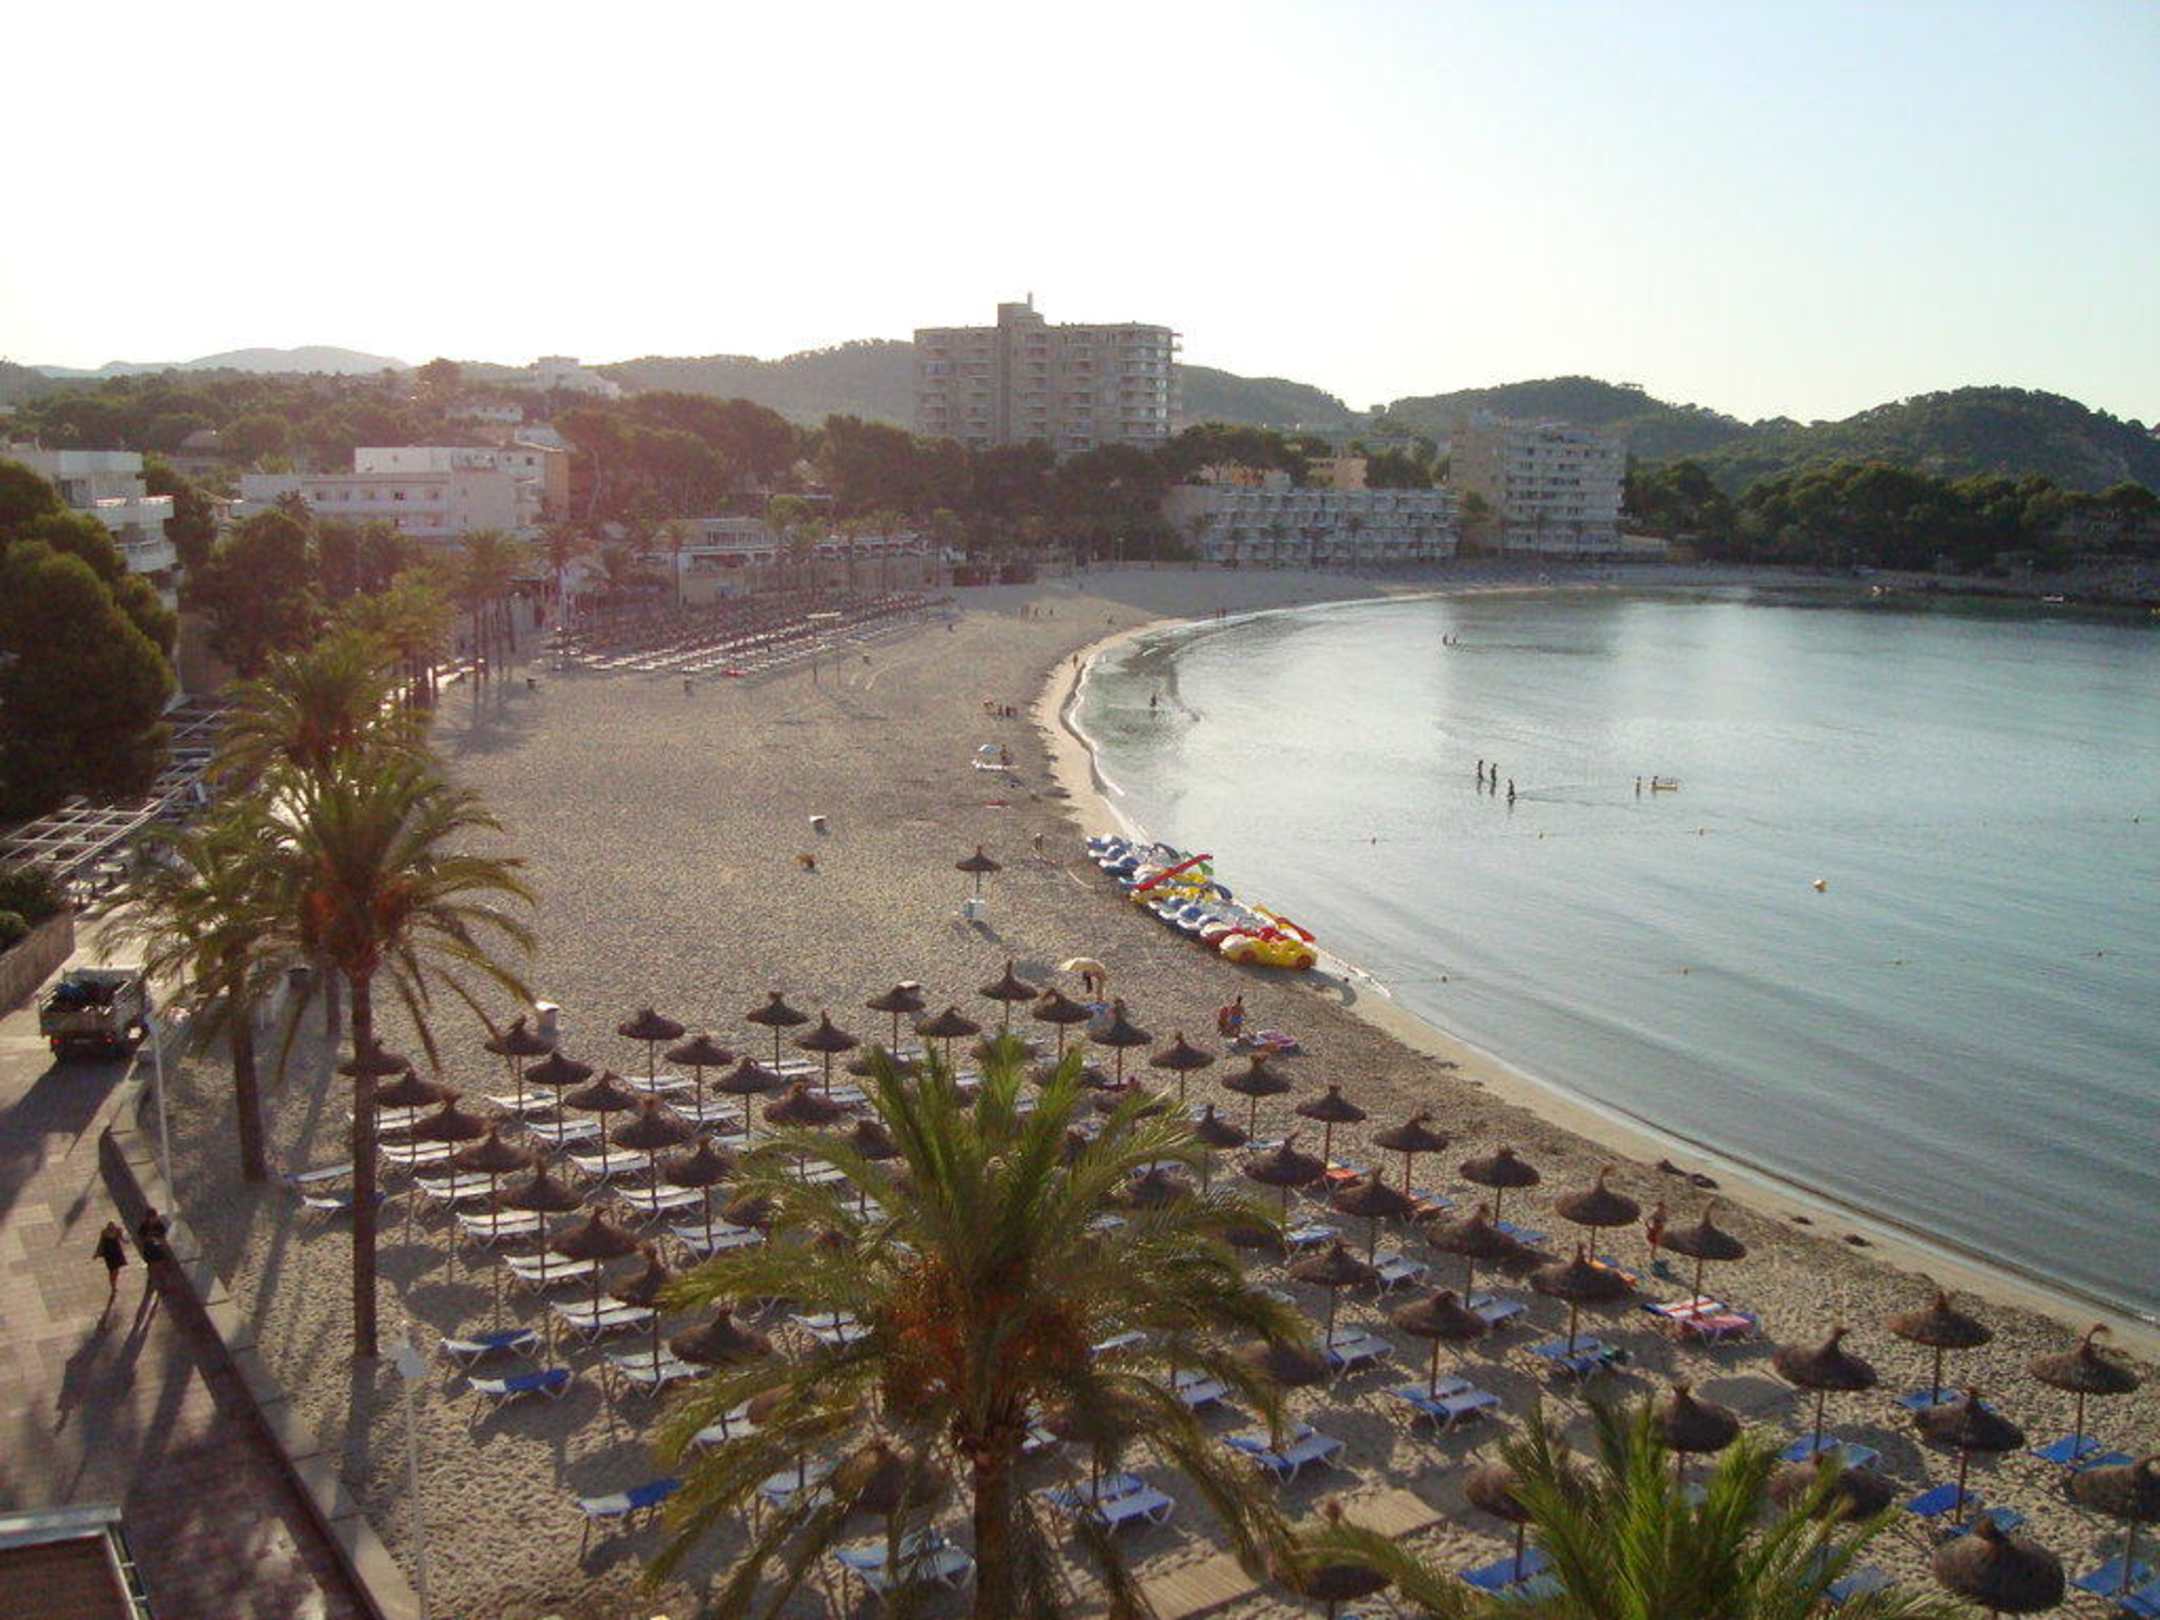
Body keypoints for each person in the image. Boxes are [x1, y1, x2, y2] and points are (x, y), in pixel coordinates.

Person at [94, 1221, 128, 1310]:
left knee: (116, 1271)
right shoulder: (104, 1233)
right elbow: (101, 1243)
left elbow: (122, 1239)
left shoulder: (118, 1231)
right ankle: (113, 1286)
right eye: (110, 1227)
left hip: (117, 1253)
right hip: (109, 1254)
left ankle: (114, 1284)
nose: (111, 1228)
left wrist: (126, 1240)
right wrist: (97, 1253)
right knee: (112, 1271)